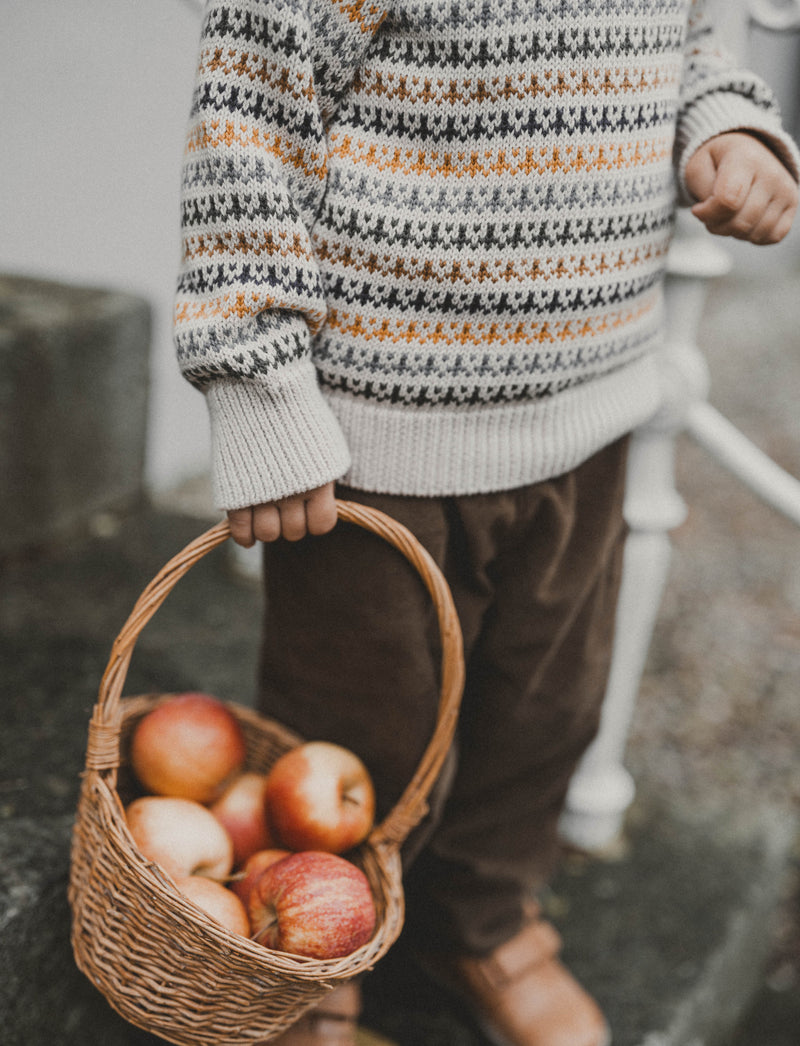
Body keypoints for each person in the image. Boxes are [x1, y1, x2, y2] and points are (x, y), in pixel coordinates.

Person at [174, 2, 798, 1043]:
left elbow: (685, 45)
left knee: (544, 704)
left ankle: (483, 919)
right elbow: (248, 115)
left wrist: (724, 124)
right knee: (356, 723)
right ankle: (317, 959)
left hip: (592, 407)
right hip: (379, 435)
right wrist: (258, 383)